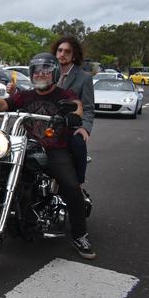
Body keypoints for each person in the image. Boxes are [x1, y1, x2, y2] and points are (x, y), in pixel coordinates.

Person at [0, 52, 95, 260]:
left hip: (54, 149)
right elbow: (4, 103)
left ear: (53, 73)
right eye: (37, 70)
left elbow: (78, 107)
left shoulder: (64, 95)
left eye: (45, 70)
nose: (40, 74)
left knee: (71, 186)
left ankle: (80, 235)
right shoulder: (25, 96)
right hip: (26, 146)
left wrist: (74, 115)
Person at [51, 36, 94, 189]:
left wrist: (85, 128)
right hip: (46, 125)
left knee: (78, 143)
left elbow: (88, 108)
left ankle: (78, 186)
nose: (62, 54)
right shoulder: (48, 73)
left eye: (67, 51)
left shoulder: (84, 78)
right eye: (59, 50)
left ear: (74, 56)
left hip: (70, 127)